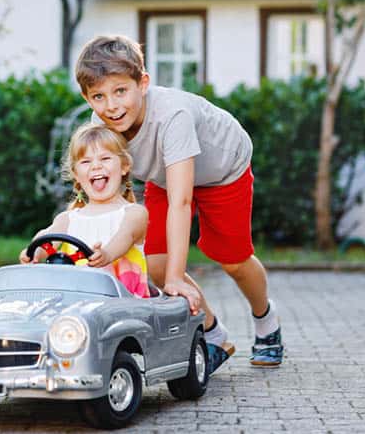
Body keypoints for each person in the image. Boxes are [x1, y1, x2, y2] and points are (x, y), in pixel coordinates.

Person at [74, 34, 283, 369]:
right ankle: (214, 335)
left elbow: (182, 202)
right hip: (164, 174)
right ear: (87, 97)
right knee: (155, 264)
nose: (111, 105)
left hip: (222, 170)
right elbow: (101, 187)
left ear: (143, 83)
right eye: (99, 96)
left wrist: (177, 277)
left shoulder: (173, 115)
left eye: (120, 91)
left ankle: (266, 322)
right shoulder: (102, 127)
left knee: (232, 259)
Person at [19, 122, 150, 298]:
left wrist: (107, 254)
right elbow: (47, 236)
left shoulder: (134, 213)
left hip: (124, 306)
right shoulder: (68, 219)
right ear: (76, 174)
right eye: (86, 161)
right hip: (73, 304)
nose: (96, 166)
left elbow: (124, 237)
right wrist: (33, 251)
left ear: (124, 166)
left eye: (105, 158)